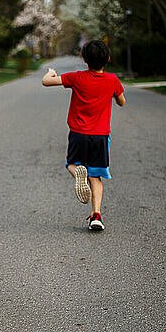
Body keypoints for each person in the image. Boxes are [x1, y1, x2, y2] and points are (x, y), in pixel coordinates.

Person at [42, 40, 126, 231]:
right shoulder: (113, 80)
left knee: (72, 164)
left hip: (78, 133)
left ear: (84, 60)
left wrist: (51, 72)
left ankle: (79, 174)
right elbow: (122, 102)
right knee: (96, 177)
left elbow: (46, 82)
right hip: (100, 136)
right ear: (108, 59)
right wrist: (112, 92)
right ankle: (96, 216)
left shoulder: (77, 77)